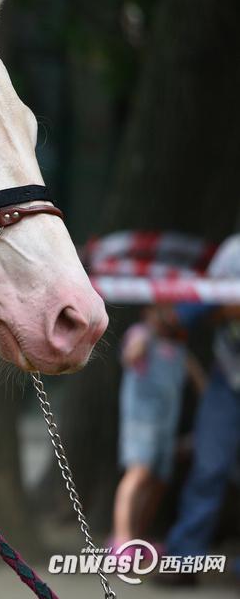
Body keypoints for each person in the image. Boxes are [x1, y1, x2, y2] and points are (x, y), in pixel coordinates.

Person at [157, 233, 240, 586]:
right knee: (208, 466)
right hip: (227, 378)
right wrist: (180, 317)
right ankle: (183, 559)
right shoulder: (234, 251)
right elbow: (205, 303)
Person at [109, 304, 205, 551]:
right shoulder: (141, 334)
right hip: (141, 422)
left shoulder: (178, 348)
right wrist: (150, 330)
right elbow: (131, 354)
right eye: (161, 309)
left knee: (158, 481)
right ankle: (121, 540)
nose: (167, 315)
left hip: (166, 426)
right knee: (137, 475)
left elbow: (200, 382)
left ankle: (137, 538)